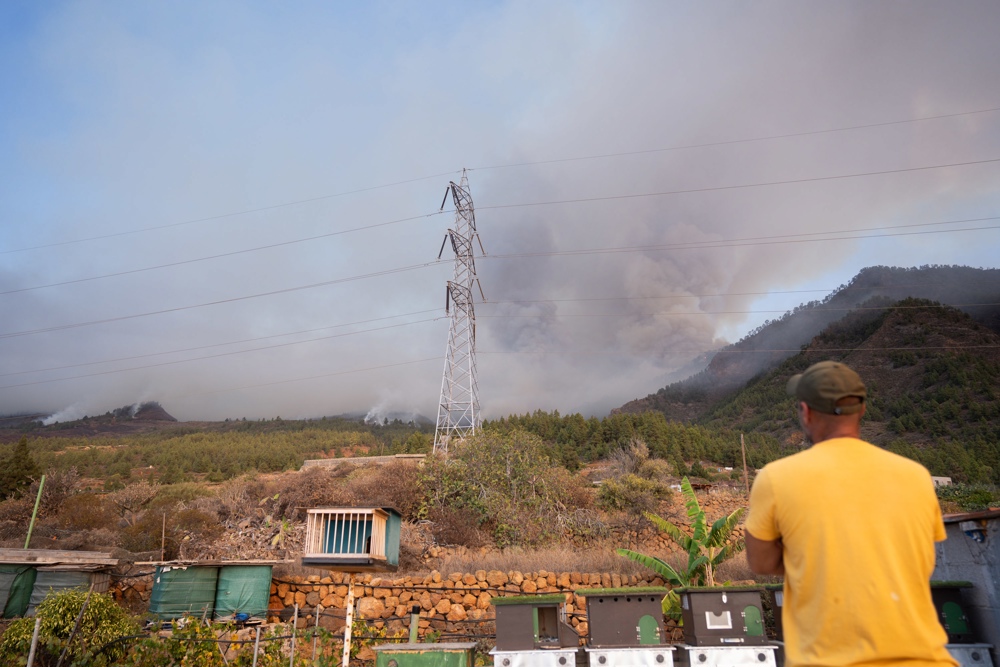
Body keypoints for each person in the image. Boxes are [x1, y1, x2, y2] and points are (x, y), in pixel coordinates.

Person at [745, 360, 955, 667]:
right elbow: (914, 558)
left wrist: (815, 557)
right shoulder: (916, 476)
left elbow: (761, 562)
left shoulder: (777, 478)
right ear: (862, 409)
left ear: (806, 412)